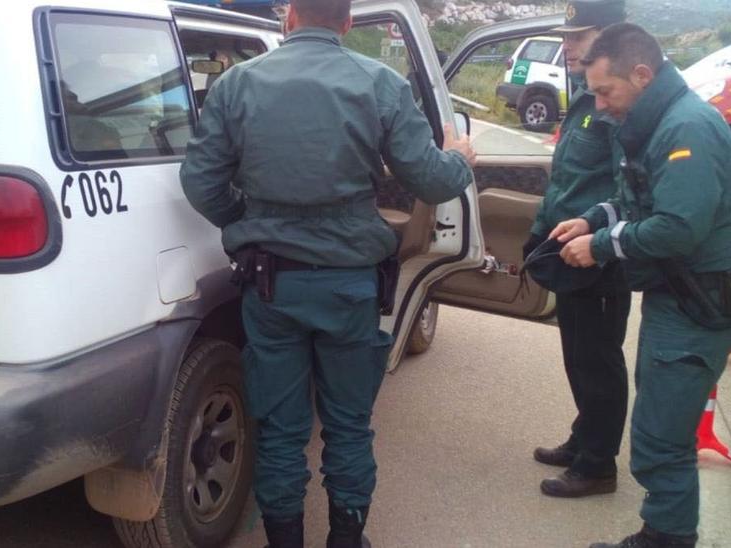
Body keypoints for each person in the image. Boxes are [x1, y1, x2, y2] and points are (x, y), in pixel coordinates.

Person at [180, 0, 476, 546]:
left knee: (280, 431)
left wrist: (249, 219)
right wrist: (459, 155)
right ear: (346, 23)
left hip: (271, 285)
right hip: (348, 286)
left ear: (289, 16)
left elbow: (200, 183)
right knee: (347, 426)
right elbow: (432, 182)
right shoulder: (380, 84)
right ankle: (346, 537)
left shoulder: (237, 85)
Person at [550, 23, 731, 548]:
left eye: (605, 91)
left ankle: (665, 537)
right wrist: (595, 219)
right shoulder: (655, 118)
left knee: (661, 436)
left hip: (699, 300)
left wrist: (600, 247)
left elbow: (678, 226)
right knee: (658, 425)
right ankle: (663, 530)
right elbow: (640, 197)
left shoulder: (684, 128)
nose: (598, 105)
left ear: (641, 75)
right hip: (681, 294)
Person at [523, 0, 631, 499]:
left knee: (598, 361)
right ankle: (583, 438)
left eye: (577, 37)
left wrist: (593, 236)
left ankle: (597, 466)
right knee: (577, 355)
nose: (566, 47)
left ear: (608, 36)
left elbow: (628, 190)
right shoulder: (590, 100)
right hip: (569, 248)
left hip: (599, 256)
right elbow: (572, 175)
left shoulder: (620, 108)